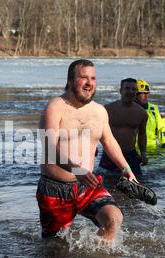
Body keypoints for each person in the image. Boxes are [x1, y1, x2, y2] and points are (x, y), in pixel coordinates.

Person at [37, 59, 136, 242]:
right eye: (83, 77)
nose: (89, 83)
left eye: (93, 78)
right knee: (56, 247)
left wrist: (126, 169)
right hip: (55, 189)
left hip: (87, 185)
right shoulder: (54, 108)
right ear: (70, 81)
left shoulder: (99, 111)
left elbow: (109, 141)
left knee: (113, 219)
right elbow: (50, 148)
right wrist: (77, 170)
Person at [99, 78, 148, 176]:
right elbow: (97, 130)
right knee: (106, 184)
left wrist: (143, 152)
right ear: (121, 91)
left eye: (133, 89)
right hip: (110, 154)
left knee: (136, 183)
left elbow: (142, 134)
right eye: (127, 88)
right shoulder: (108, 109)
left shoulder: (141, 113)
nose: (130, 91)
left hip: (130, 154)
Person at [135, 79, 165, 150]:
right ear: (135, 95)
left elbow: (162, 127)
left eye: (147, 93)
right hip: (134, 148)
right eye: (143, 93)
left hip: (152, 148)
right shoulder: (128, 109)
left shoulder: (153, 109)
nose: (146, 96)